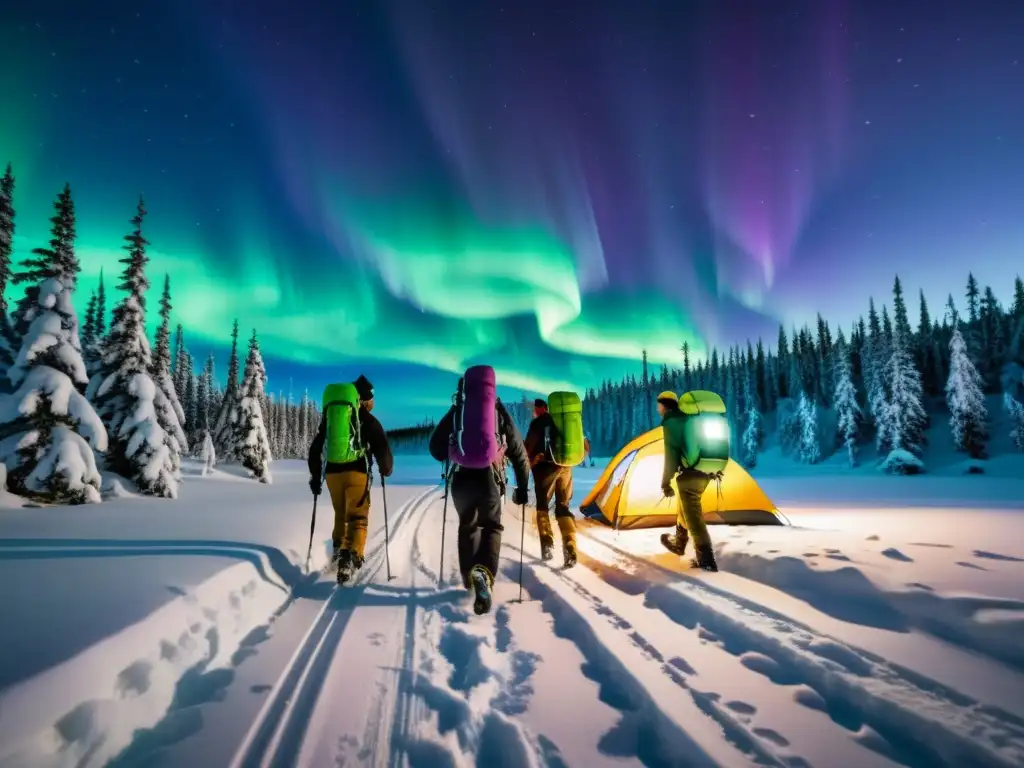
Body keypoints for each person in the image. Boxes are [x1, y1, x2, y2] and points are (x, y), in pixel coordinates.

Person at [429, 365, 530, 615]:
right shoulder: (497, 411)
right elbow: (518, 451)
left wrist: (453, 446)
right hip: (489, 479)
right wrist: (524, 487)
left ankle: (469, 578)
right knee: (492, 526)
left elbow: (435, 448)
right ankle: (484, 572)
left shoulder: (458, 411)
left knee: (468, 525)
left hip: (461, 479)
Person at [308, 374, 394, 582]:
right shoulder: (367, 419)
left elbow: (317, 446)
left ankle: (338, 550)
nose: (372, 403)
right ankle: (351, 557)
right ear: (364, 400)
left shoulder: (332, 417)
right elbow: (382, 447)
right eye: (371, 399)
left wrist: (315, 475)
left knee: (341, 513)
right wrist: (386, 469)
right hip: (357, 473)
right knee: (358, 517)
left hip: (332, 473)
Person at [657, 391, 718, 571]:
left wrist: (665, 482)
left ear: (664, 405)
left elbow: (671, 455)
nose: (657, 408)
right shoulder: (690, 419)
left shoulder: (671, 422)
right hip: (704, 473)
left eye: (658, 405)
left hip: (689, 476)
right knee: (684, 510)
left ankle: (707, 561)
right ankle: (679, 544)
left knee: (694, 520)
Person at [524, 398, 577, 567]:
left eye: (535, 408)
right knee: (563, 507)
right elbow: (584, 446)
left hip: (545, 468)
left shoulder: (538, 423)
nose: (533, 411)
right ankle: (570, 546)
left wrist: (526, 462)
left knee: (542, 507)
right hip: (566, 467)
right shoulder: (564, 422)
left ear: (541, 408)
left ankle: (547, 544)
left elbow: (527, 448)